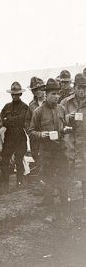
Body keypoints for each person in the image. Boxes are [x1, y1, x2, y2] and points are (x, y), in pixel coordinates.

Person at [29, 78, 72, 223]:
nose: (56, 96)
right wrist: (42, 134)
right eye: (52, 93)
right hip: (47, 153)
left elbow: (64, 125)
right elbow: (31, 132)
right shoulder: (38, 111)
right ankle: (50, 214)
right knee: (49, 184)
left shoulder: (61, 108)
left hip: (61, 151)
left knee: (63, 183)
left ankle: (66, 214)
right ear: (46, 94)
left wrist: (66, 129)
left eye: (57, 93)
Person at [61, 73, 86, 211]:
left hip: (84, 141)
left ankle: (85, 201)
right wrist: (67, 117)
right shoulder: (66, 102)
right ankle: (66, 202)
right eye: (79, 87)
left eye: (84, 88)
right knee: (67, 169)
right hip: (69, 141)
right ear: (74, 87)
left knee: (85, 172)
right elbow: (57, 120)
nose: (82, 90)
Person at [0, 82, 28, 192]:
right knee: (4, 161)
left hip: (20, 137)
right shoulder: (7, 106)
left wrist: (9, 119)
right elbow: (1, 120)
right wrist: (10, 120)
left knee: (18, 160)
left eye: (17, 94)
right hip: (9, 138)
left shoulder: (24, 107)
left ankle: (19, 183)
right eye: (13, 94)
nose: (15, 96)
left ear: (20, 94)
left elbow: (21, 120)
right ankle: (5, 185)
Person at [25, 77, 46, 170]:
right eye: (35, 90)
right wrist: (30, 132)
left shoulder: (49, 102)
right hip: (35, 137)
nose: (38, 91)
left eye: (40, 89)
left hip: (48, 135)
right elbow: (27, 121)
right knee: (36, 156)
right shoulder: (31, 105)